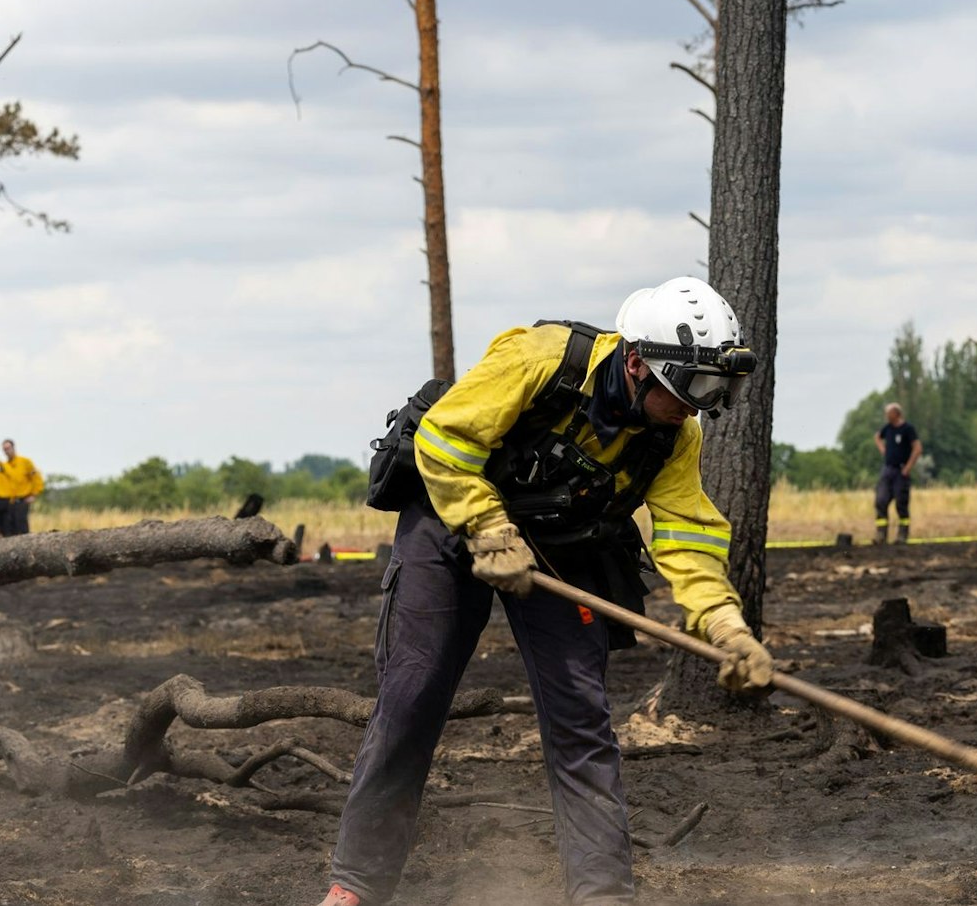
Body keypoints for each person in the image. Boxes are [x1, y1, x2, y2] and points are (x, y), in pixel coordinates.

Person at [314, 276, 772, 906]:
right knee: (412, 694)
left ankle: (602, 895)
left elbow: (689, 533)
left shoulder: (674, 433)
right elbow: (444, 440)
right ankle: (355, 887)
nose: (698, 407)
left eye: (716, 392)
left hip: (565, 542)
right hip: (452, 514)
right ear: (637, 362)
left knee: (581, 719)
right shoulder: (539, 360)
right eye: (691, 389)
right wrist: (487, 526)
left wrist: (725, 624)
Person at [872, 402, 922, 543]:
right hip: (888, 469)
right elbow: (877, 437)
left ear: (896, 413)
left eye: (889, 413)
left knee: (901, 502)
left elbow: (917, 448)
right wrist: (884, 450)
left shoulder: (908, 429)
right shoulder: (887, 428)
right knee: (881, 500)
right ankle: (881, 535)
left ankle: (902, 535)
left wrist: (908, 467)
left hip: (901, 471)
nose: (886, 416)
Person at [2, 439, 44, 536]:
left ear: (13, 448)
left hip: (23, 500)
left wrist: (34, 494)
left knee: (22, 526)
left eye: (8, 448)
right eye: (4, 449)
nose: (7, 451)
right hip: (9, 502)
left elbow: (36, 478)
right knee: (10, 528)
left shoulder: (25, 462)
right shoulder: (4, 466)